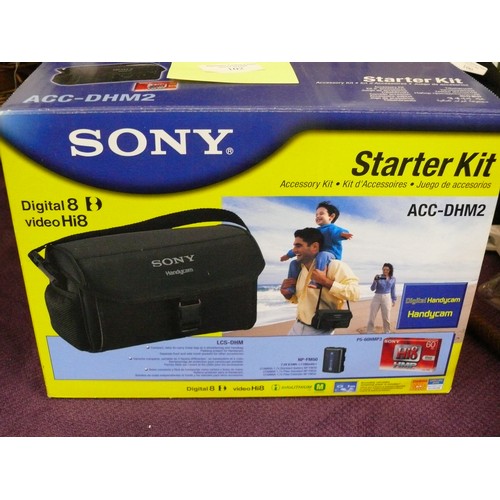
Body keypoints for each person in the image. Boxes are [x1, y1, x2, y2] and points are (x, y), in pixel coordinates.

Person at [280, 227, 360, 336]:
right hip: (297, 326)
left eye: (298, 246)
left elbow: (355, 293)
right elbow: (301, 300)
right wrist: (288, 295)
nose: (294, 250)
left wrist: (325, 281)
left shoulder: (335, 266)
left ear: (314, 247)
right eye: (294, 246)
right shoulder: (301, 270)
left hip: (321, 331)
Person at [280, 201, 353, 292]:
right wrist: (288, 255)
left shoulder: (332, 229)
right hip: (317, 256)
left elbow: (337, 233)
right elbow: (303, 245)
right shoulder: (315, 231)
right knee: (293, 263)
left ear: (331, 217)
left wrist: (343, 235)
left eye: (321, 214)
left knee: (322, 254)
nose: (318, 216)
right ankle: (291, 287)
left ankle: (316, 280)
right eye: (316, 215)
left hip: (331, 255)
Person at [366, 263, 397, 334]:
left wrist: (394, 299)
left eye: (387, 269)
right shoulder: (379, 277)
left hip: (387, 298)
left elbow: (393, 289)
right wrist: (375, 281)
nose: (385, 271)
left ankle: (387, 332)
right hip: (377, 297)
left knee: (386, 317)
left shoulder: (393, 279)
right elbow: (372, 289)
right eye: (384, 269)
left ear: (390, 270)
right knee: (372, 316)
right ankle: (369, 331)